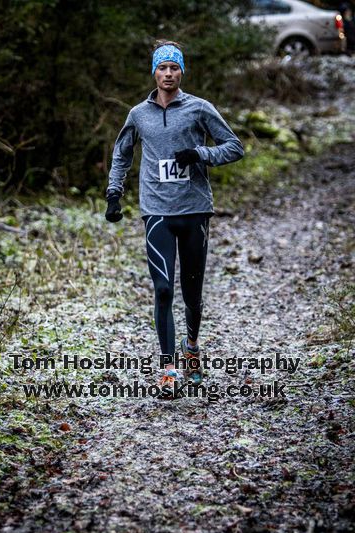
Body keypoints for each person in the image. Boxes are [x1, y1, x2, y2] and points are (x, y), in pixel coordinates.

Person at [105, 40, 244, 398]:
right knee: (164, 289)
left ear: (182, 72)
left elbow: (234, 147)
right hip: (156, 211)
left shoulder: (199, 108)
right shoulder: (138, 114)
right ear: (154, 71)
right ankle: (168, 367)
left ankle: (192, 347)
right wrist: (113, 193)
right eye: (163, 68)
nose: (168, 74)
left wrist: (199, 153)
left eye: (174, 68)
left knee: (192, 293)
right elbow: (121, 155)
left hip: (195, 209)